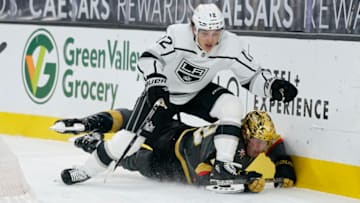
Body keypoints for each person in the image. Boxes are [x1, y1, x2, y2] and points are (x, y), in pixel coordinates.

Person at [55, 3, 297, 186]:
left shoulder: (230, 45)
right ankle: (85, 170)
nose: (211, 41)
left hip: (198, 92)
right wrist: (155, 83)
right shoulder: (177, 36)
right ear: (193, 29)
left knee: (231, 104)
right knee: (129, 142)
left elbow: (252, 76)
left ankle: (224, 167)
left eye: (215, 34)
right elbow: (148, 58)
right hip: (165, 93)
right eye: (204, 33)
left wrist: (272, 86)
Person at [54, 108, 296, 193]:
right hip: (176, 163)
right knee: (133, 126)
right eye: (257, 141)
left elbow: (275, 142)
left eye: (263, 143)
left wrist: (283, 164)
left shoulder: (244, 134)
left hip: (179, 138)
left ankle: (92, 143)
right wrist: (244, 184)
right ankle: (90, 132)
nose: (260, 147)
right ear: (244, 134)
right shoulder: (227, 148)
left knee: (131, 156)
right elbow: (204, 179)